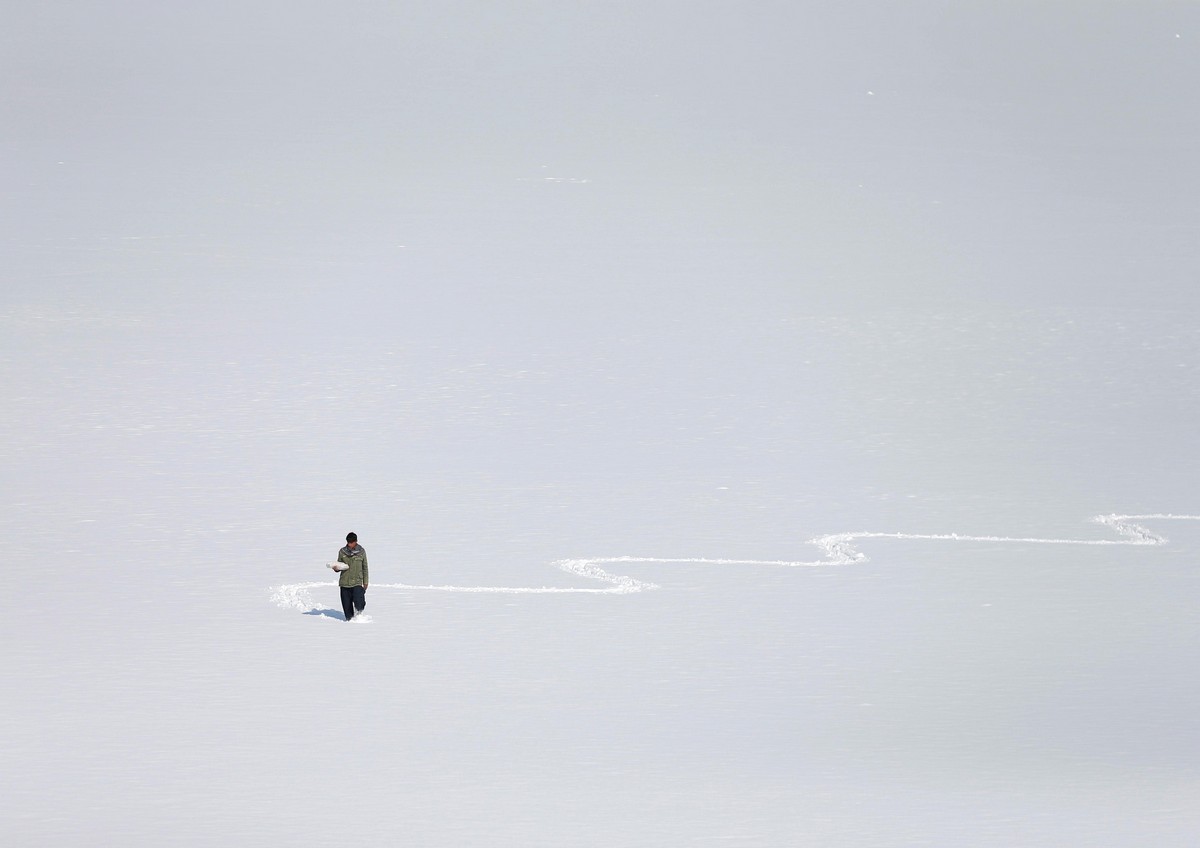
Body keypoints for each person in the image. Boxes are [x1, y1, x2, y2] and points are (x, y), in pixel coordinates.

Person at [337, 532, 369, 621]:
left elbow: (365, 567)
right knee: (348, 613)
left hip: (357, 582)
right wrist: (336, 568)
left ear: (356, 541)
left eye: (351, 542)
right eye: (348, 542)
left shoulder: (361, 552)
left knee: (359, 603)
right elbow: (338, 564)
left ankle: (359, 617)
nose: (349, 544)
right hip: (344, 583)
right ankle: (350, 625)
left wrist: (365, 582)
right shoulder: (342, 551)